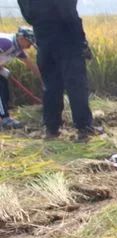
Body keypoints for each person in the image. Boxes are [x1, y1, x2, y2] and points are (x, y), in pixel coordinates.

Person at [16, 0, 98, 141]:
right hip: (67, 42)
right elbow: (69, 14)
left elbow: (28, 18)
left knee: (51, 87)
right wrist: (82, 43)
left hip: (44, 43)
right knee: (76, 86)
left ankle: (51, 129)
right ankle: (84, 127)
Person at [0, 27, 40, 129]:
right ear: (22, 38)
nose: (30, 46)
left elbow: (31, 65)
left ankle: (5, 115)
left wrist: (43, 81)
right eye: (29, 43)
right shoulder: (7, 43)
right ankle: (5, 120)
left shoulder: (17, 49)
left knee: (4, 88)